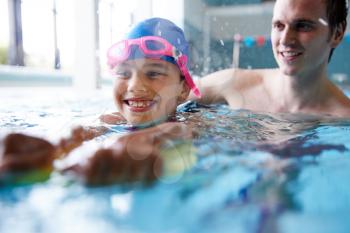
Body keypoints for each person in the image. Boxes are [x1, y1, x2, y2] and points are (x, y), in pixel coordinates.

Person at [0, 18, 199, 186]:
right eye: (123, 73)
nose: (134, 86)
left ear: (183, 89)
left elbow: (179, 130)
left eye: (153, 73)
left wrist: (129, 141)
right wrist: (55, 148)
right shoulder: (111, 120)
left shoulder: (195, 121)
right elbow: (84, 133)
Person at [189, 0, 350, 118]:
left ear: (337, 33)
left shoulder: (344, 118)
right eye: (279, 25)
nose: (286, 40)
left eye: (303, 26)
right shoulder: (233, 84)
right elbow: (171, 97)